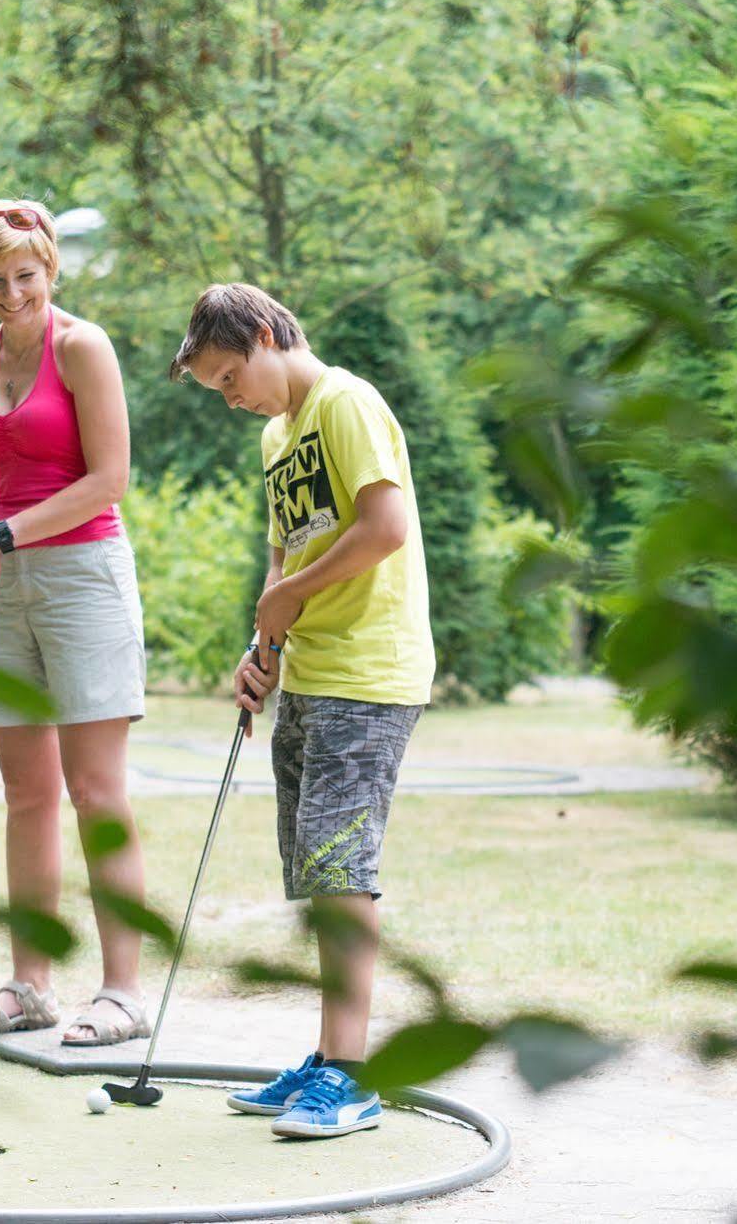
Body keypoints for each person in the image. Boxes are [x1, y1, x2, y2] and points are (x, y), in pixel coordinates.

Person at [167, 282, 433, 1139]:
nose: (231, 396)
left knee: (338, 866)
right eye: (216, 388)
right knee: (314, 869)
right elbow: (287, 553)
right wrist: (265, 650)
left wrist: (289, 597)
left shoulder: (345, 402)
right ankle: (327, 1057)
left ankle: (353, 1076)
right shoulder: (278, 436)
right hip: (314, 672)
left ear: (264, 334)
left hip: (370, 670)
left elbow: (383, 526)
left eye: (230, 375)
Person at [0, 197, 153, 1046]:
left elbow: (110, 480)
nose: (10, 293)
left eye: (24, 276)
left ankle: (124, 993)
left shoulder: (81, 346)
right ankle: (30, 986)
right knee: (26, 791)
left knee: (95, 790)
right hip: (4, 582)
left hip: (83, 575)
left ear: (50, 269)